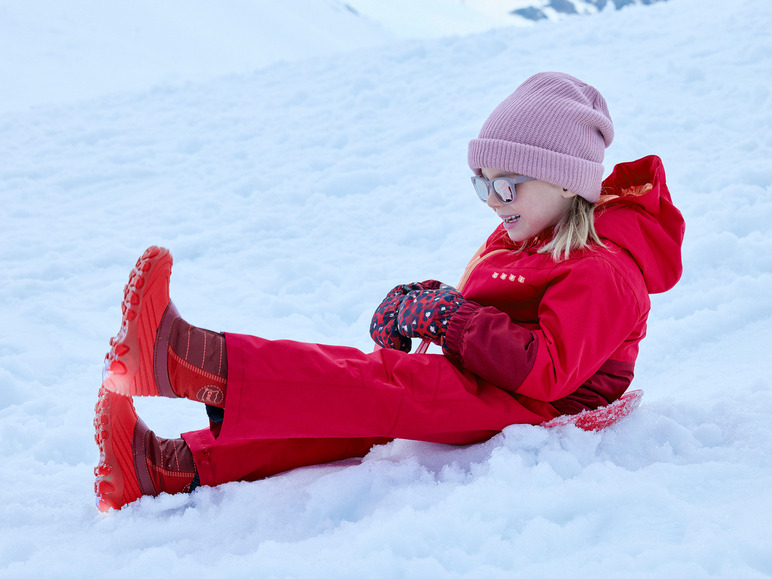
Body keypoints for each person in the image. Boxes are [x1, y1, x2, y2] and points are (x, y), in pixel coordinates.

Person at [93, 72, 685, 511]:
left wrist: (451, 321)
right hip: (505, 387)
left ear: (566, 181)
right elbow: (490, 319)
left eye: (509, 183)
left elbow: (548, 370)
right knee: (348, 410)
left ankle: (183, 359)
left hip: (548, 409)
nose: (495, 201)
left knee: (371, 385)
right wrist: (426, 309)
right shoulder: (527, 234)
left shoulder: (607, 269)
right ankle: (166, 470)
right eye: (483, 185)